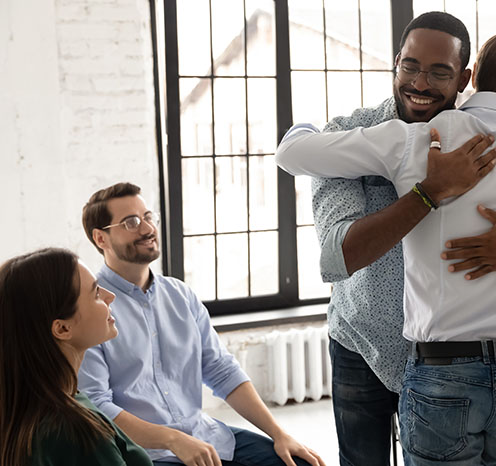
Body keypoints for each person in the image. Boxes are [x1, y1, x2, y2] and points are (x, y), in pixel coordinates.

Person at [301, 11, 496, 465]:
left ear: (466, 78)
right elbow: (337, 256)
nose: (421, 82)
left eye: (439, 72)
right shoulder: (362, 136)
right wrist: (429, 193)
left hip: (446, 361)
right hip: (366, 345)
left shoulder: (494, 143)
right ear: (395, 63)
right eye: (410, 66)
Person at [77, 183, 324, 466]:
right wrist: (172, 439)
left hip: (205, 436)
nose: (146, 229)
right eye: (131, 222)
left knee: (299, 463)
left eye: (147, 217)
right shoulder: (92, 308)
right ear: (101, 238)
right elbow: (97, 405)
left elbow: (221, 370)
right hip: (147, 453)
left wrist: (279, 434)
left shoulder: (180, 295)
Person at [0, 247, 153, 466]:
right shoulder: (75, 432)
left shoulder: (28, 406)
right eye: (96, 293)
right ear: (62, 329)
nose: (110, 296)